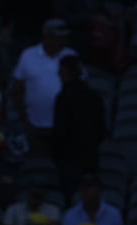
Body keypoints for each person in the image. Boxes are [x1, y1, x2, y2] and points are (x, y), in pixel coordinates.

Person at [11, 19, 78, 158]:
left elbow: (81, 87)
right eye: (59, 38)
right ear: (47, 37)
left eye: (64, 38)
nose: (62, 41)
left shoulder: (71, 55)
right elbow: (17, 89)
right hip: (35, 126)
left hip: (64, 127)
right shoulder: (28, 55)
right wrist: (25, 119)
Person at [52, 55, 106, 202]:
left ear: (66, 71)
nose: (58, 74)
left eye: (60, 70)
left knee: (72, 200)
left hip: (69, 160)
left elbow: (59, 132)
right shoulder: (94, 97)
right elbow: (102, 130)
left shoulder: (63, 98)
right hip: (90, 158)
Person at [60, 174, 125, 225]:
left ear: (100, 190)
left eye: (89, 187)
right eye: (82, 187)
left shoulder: (114, 215)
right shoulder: (69, 215)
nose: (85, 191)